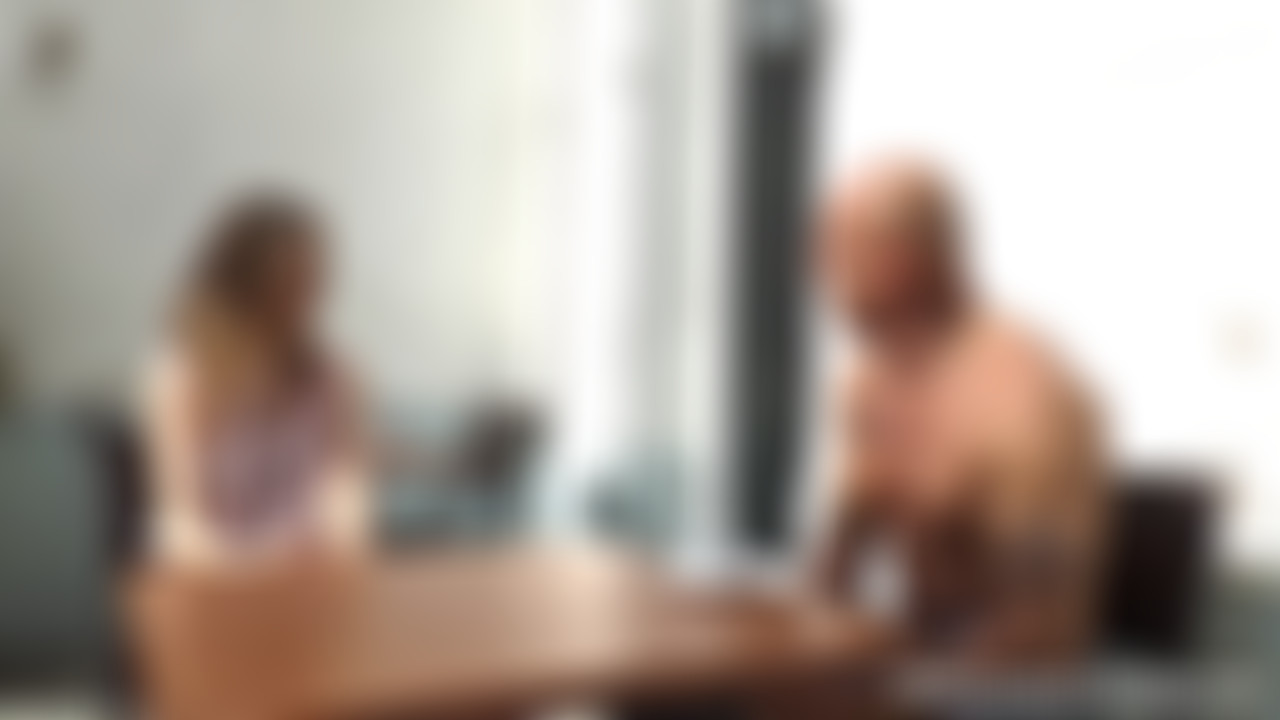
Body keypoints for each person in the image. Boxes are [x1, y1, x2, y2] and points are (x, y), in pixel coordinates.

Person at [811, 157, 1107, 669]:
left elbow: (1038, 623)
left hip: (1019, 684)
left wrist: (892, 682)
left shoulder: (1021, 390)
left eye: (844, 255)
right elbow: (833, 571)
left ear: (906, 260)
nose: (827, 281)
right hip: (929, 656)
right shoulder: (872, 384)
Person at [140, 193, 370, 571]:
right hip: (218, 576)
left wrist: (343, 546)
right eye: (290, 279)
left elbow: (346, 492)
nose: (308, 297)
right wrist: (252, 566)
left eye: (314, 278)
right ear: (243, 283)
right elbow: (182, 523)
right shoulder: (182, 378)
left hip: (314, 573)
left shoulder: (333, 374)